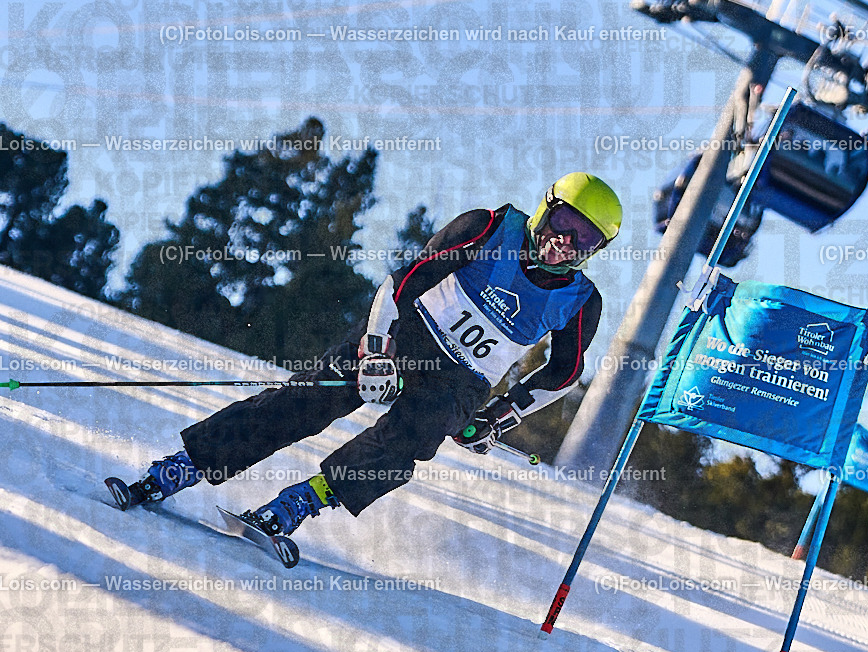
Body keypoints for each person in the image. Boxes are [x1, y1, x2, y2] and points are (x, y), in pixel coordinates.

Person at [110, 172, 622, 538]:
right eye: (563, 222)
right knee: (308, 401)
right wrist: (376, 351)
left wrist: (496, 419)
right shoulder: (489, 228)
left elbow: (562, 374)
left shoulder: (581, 302)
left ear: (594, 251)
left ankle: (301, 502)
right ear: (546, 207)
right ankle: (184, 465)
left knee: (412, 438)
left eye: (584, 239)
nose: (565, 241)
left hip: (461, 382)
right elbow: (403, 282)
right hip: (407, 336)